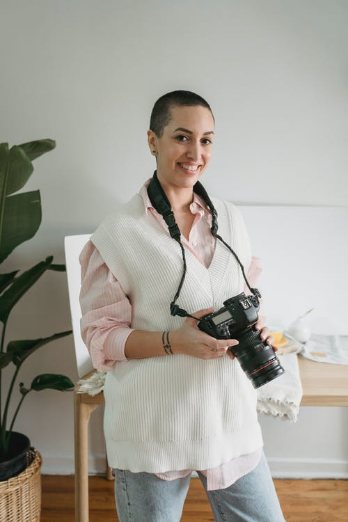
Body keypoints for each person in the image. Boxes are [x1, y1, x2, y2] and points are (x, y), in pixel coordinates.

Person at [80, 90, 285, 522]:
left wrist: (255, 329)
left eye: (207, 140)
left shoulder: (230, 219)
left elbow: (248, 291)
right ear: (153, 140)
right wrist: (176, 341)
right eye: (182, 137)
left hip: (229, 420)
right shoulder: (117, 233)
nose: (196, 153)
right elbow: (102, 337)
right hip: (152, 429)